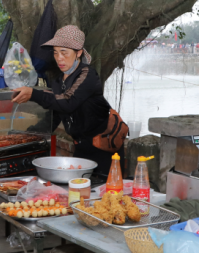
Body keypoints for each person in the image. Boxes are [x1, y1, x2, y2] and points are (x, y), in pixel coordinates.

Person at [11, 25, 119, 174]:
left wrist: (34, 94)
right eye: (55, 53)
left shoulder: (87, 75)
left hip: (103, 149)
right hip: (81, 149)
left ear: (78, 53)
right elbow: (55, 114)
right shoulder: (58, 81)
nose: (59, 58)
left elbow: (68, 102)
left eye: (64, 52)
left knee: (104, 192)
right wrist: (28, 135)